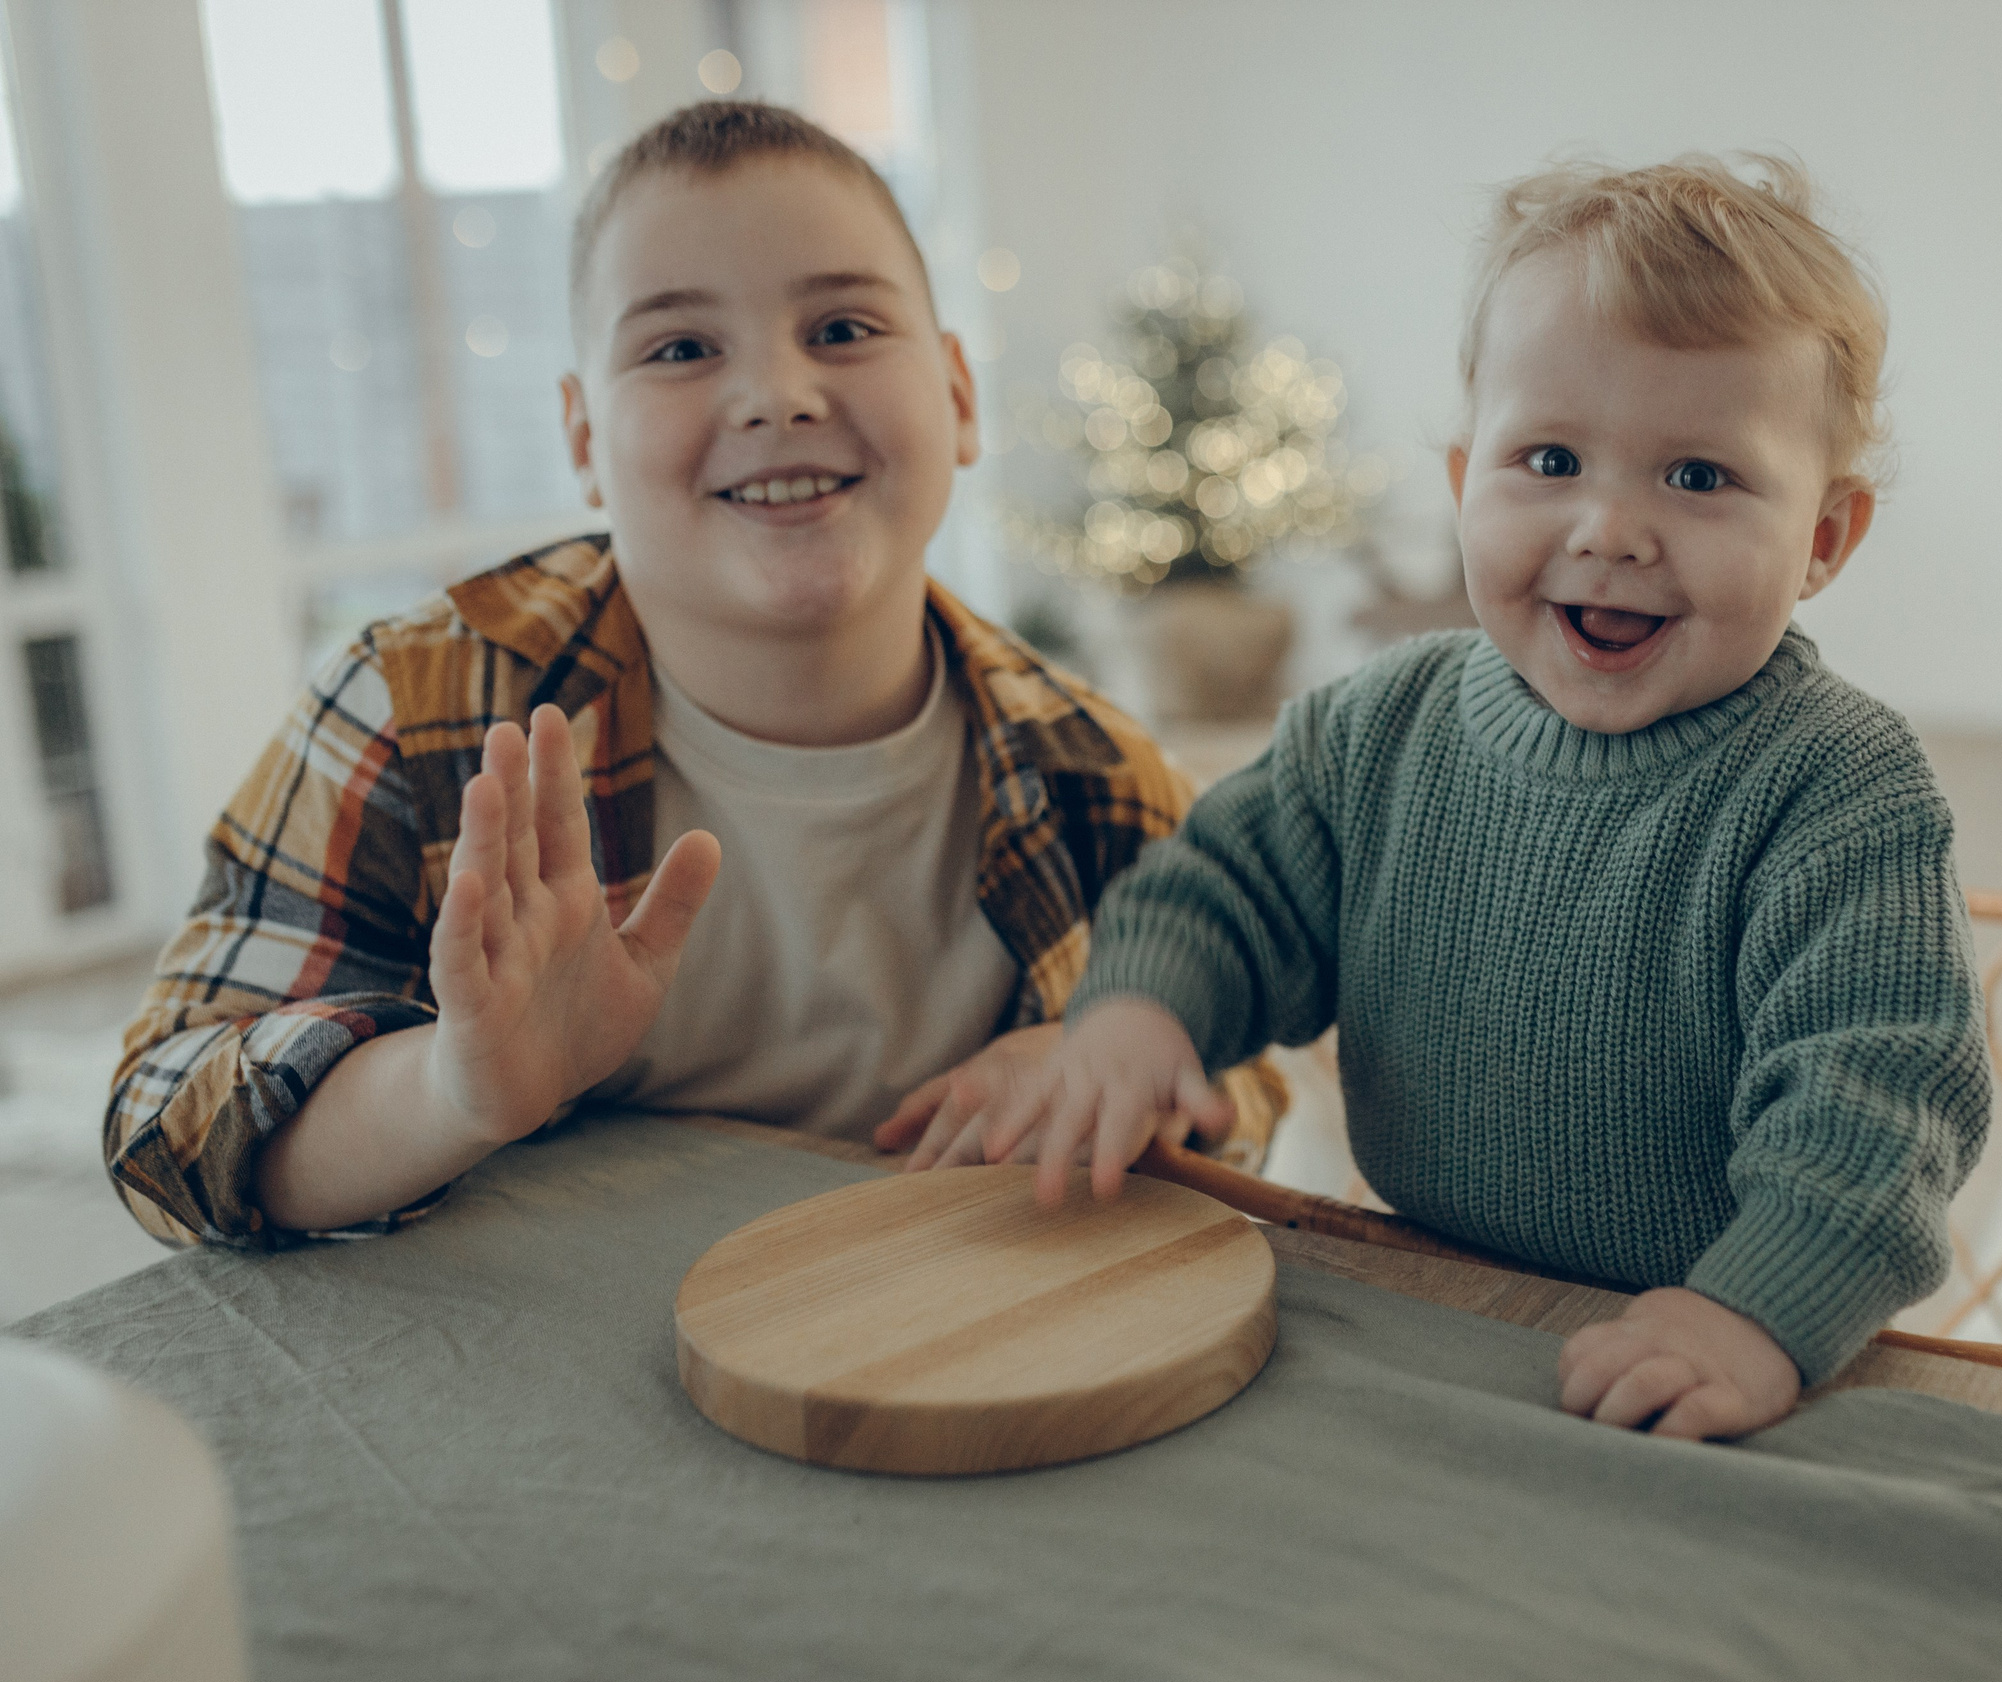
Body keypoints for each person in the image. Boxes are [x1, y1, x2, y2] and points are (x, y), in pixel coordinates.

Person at [924, 155, 1991, 1442]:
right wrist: (1142, 1014)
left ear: (1824, 538)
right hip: (1421, 1282)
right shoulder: (1382, 729)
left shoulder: (1839, 794)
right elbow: (1226, 887)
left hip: (1712, 1335)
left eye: (1698, 477)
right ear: (1458, 479)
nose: (1610, 529)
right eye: (1549, 458)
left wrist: (1754, 1318)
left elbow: (1879, 1110)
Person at [104, 101, 1273, 1248]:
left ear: (959, 395)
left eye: (844, 330)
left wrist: (1107, 1056)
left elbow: (1249, 1077)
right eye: (678, 348)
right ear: (581, 443)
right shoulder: (415, 714)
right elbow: (164, 1123)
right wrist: (452, 1093)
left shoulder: (1095, 773)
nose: (776, 393)